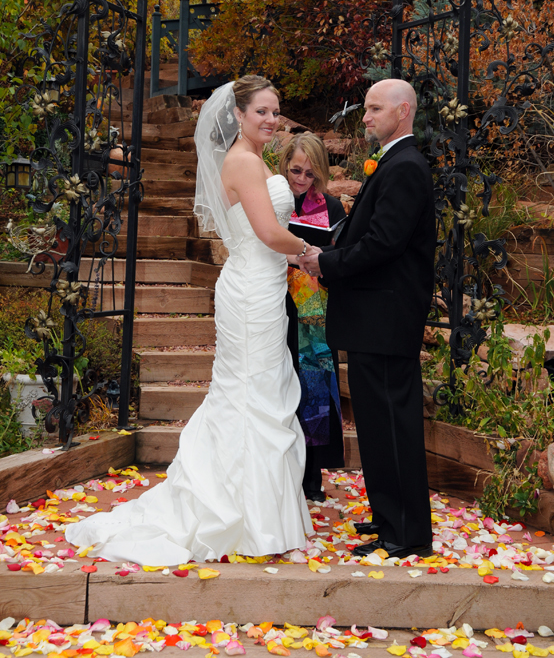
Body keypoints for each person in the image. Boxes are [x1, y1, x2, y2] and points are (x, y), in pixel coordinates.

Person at [65, 75, 316, 564]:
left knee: (261, 391)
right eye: (261, 111)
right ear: (238, 115)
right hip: (250, 289)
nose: (271, 119)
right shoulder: (242, 162)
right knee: (250, 394)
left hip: (261, 286)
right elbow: (267, 232)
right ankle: (244, 519)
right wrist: (311, 250)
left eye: (275, 110)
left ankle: (262, 518)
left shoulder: (255, 160)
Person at [300, 78, 435, 560]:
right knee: (377, 424)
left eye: (374, 109)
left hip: (386, 317)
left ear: (402, 112)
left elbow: (384, 244)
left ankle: (407, 532)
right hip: (374, 317)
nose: (365, 117)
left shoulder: (405, 167)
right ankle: (387, 516)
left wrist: (327, 263)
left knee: (393, 424)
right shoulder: (395, 163)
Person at [280, 132, 346, 502]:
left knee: (314, 388)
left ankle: (311, 477)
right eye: (295, 170)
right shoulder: (275, 197)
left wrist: (323, 258)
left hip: (315, 312)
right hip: (278, 304)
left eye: (310, 174)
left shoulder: (332, 207)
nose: (301, 179)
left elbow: (340, 255)